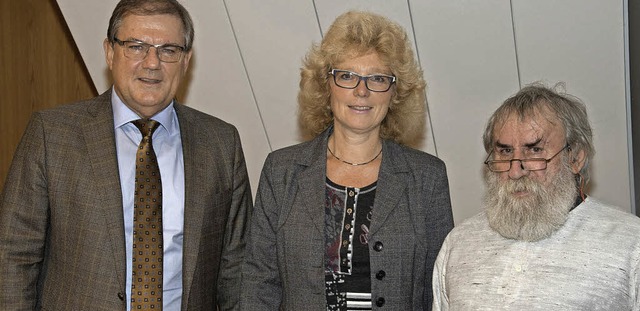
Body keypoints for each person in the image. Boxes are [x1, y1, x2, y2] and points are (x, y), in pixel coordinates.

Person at [0, 0, 252, 310]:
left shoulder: (220, 143)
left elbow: (237, 270)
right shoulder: (52, 135)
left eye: (168, 50)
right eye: (136, 46)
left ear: (186, 61)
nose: (152, 63)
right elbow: (13, 255)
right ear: (109, 51)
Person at [240, 10, 454, 311]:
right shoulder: (282, 171)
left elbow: (441, 288)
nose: (362, 90)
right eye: (347, 76)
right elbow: (258, 282)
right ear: (326, 86)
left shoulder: (427, 177)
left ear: (395, 92)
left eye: (378, 78)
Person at [432, 84, 640, 310]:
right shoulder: (459, 243)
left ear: (575, 158)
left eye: (534, 150)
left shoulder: (630, 244)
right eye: (505, 151)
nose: (515, 171)